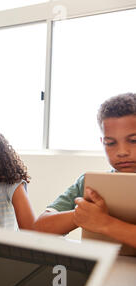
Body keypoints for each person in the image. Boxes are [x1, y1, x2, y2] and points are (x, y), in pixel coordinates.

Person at [38, 93, 136, 249]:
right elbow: (39, 228)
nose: (122, 152)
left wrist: (104, 223)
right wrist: (83, 215)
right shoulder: (91, 184)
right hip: (104, 270)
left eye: (133, 140)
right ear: (102, 142)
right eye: (111, 143)